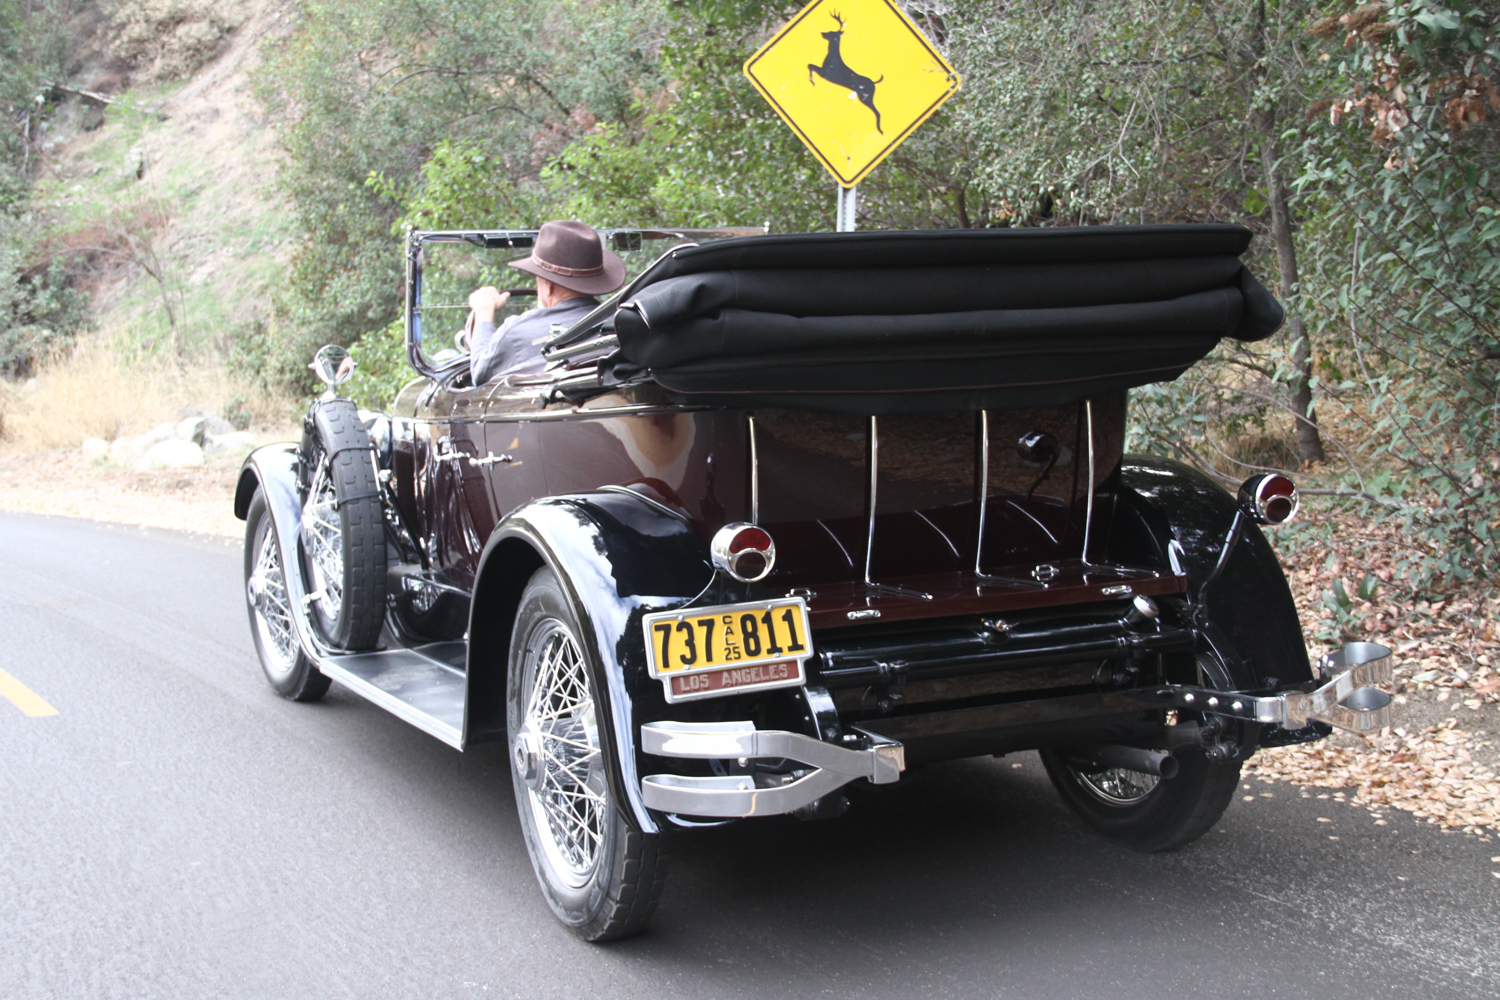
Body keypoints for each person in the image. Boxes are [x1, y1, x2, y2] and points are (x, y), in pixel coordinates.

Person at [467, 219, 626, 384]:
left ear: (548, 286)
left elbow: (480, 374)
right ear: (596, 282)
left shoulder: (517, 333)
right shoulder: (623, 325)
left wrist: (484, 312)